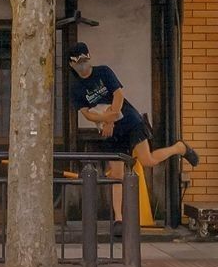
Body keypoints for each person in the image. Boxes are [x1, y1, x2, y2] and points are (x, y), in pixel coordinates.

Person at [69, 42, 199, 231]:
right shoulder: (76, 88)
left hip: (129, 121)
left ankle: (179, 148)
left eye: (85, 60)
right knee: (116, 174)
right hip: (108, 131)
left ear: (89, 58)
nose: (82, 65)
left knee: (148, 160)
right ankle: (119, 219)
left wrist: (111, 119)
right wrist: (105, 120)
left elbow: (118, 96)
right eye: (78, 61)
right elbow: (87, 114)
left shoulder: (103, 72)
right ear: (71, 64)